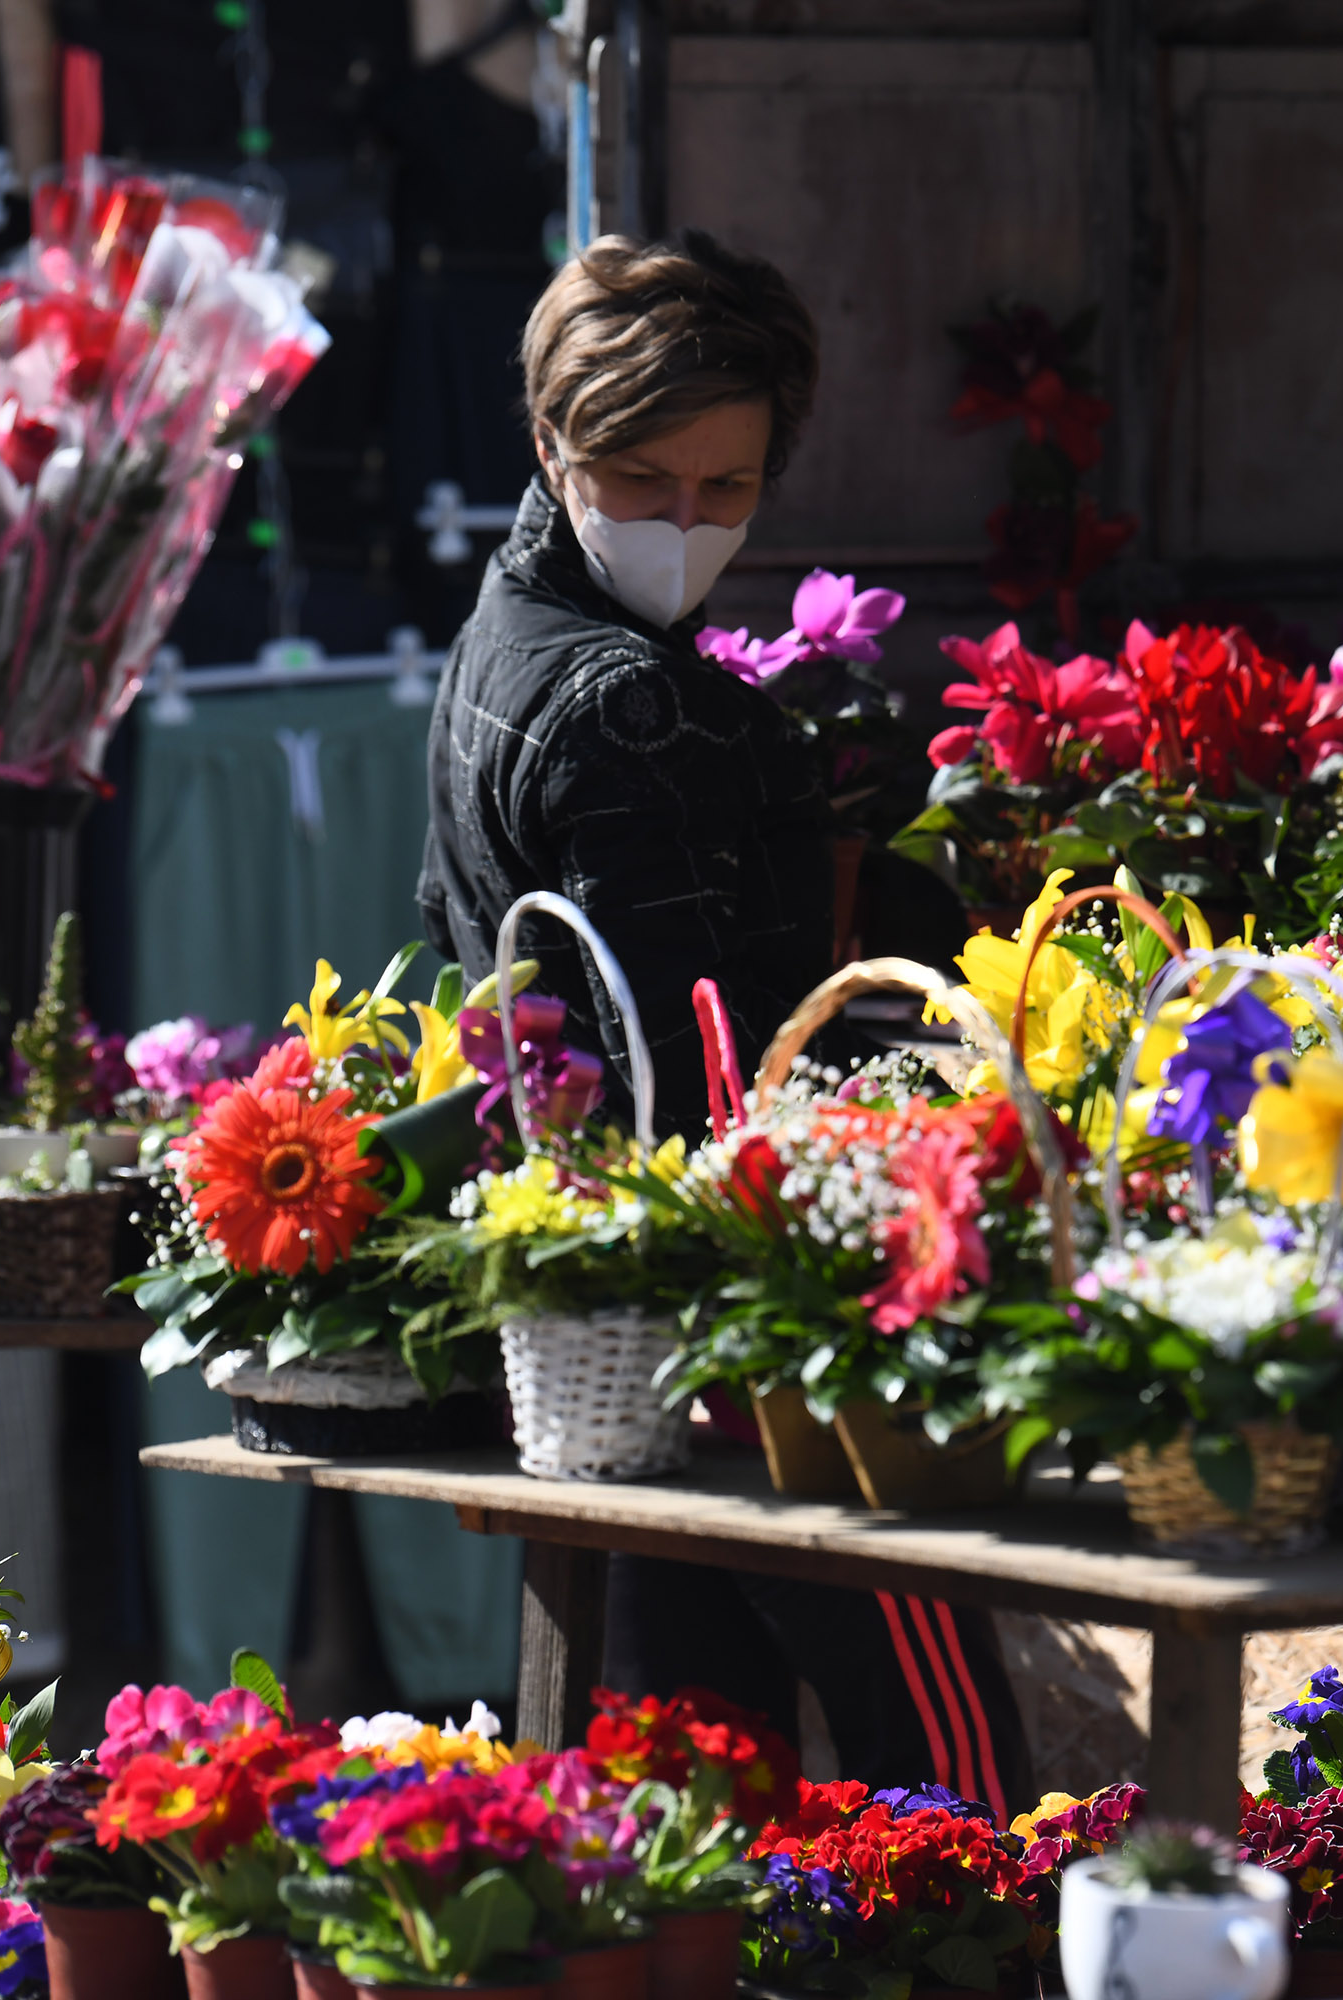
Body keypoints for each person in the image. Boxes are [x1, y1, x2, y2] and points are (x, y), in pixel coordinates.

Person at [417, 230, 1029, 1807]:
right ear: (554, 443)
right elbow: (715, 1056)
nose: (685, 523)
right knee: (955, 1780)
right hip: (758, 1332)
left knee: (687, 1804)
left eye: (729, 490)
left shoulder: (493, 646)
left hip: (610, 1336)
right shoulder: (632, 702)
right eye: (643, 477)